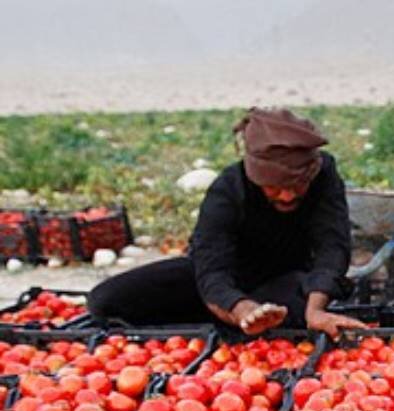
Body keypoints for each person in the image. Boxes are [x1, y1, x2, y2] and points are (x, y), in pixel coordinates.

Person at [88, 107, 365, 338]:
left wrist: (316, 311)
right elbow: (211, 269)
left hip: (285, 280)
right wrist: (241, 309)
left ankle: (237, 325)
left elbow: (332, 245)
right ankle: (226, 321)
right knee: (107, 300)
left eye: (298, 184)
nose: (288, 194)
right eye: (274, 187)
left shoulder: (323, 173)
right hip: (221, 279)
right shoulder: (227, 191)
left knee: (293, 308)